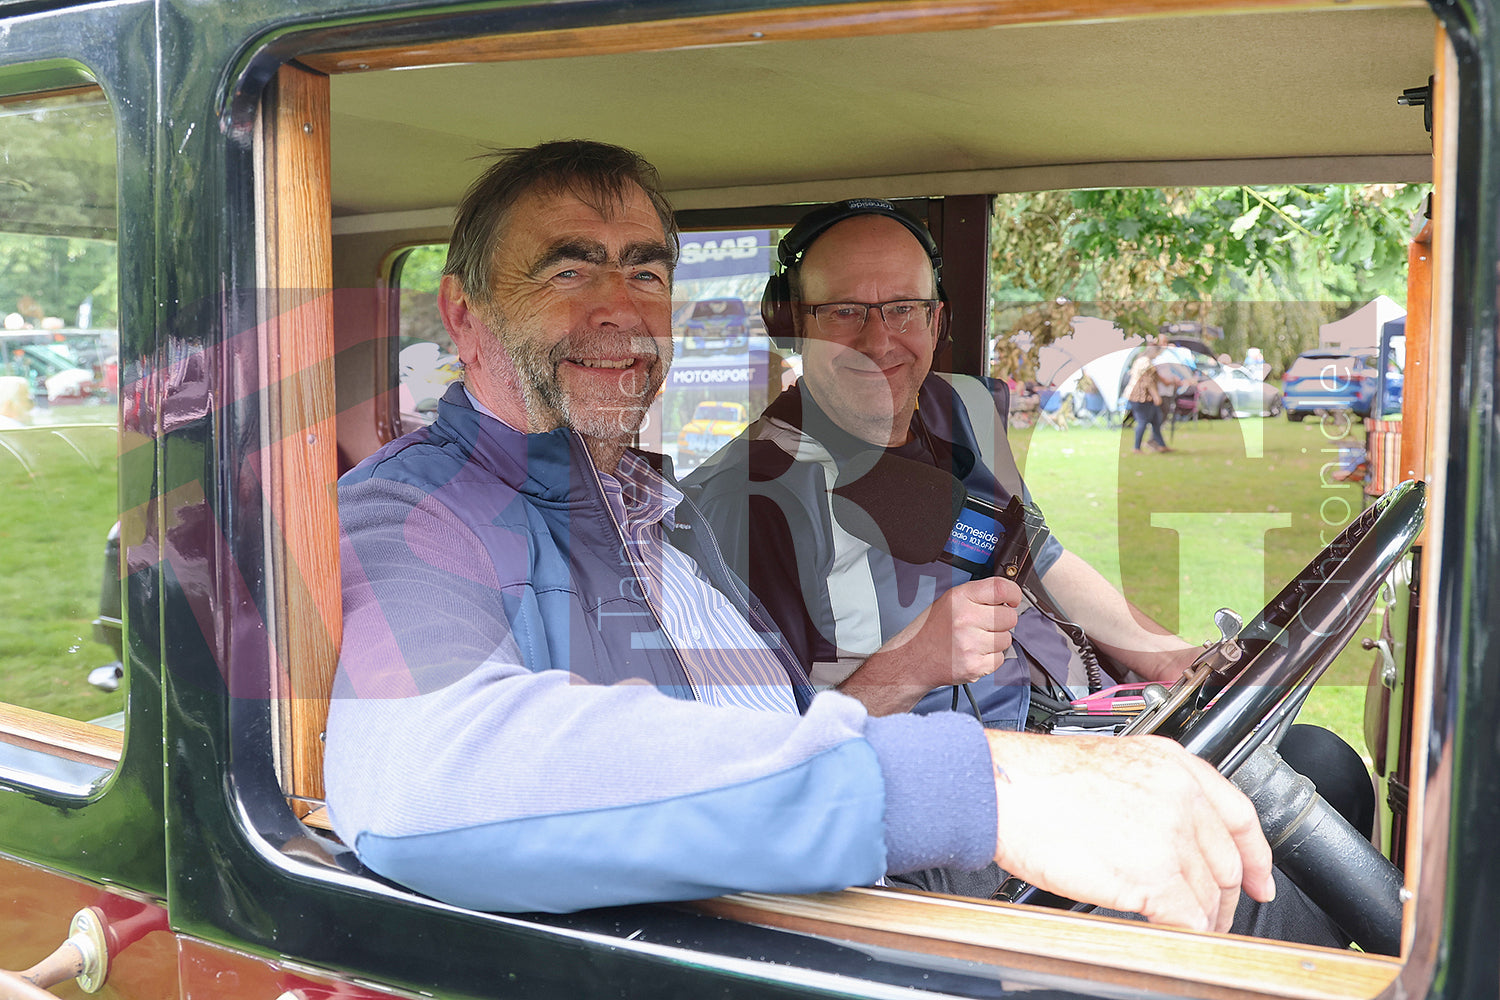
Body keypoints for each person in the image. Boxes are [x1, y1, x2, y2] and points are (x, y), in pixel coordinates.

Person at [325, 140, 1281, 935]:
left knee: (1266, 831)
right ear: (464, 313)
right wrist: (982, 781)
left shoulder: (651, 511)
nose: (618, 305)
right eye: (568, 268)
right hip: (782, 944)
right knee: (1258, 899)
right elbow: (432, 773)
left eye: (647, 270)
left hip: (863, 900)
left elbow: (785, 736)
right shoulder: (418, 508)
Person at [684, 198, 1361, 941]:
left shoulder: (961, 409)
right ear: (790, 323)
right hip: (939, 823)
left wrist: (1170, 656)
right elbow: (760, 767)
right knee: (1252, 890)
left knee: (1322, 767)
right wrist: (906, 667)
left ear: (938, 320)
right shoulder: (740, 505)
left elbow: (1036, 553)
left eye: (904, 308)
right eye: (845, 310)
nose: (878, 340)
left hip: (1066, 729)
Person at [1124, 341, 1182, 453]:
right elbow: (1148, 381)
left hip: (1140, 396)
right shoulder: (1146, 363)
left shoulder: (1140, 360)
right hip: (1141, 397)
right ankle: (1136, 448)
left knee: (1156, 420)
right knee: (1143, 421)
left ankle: (1161, 445)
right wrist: (1156, 396)